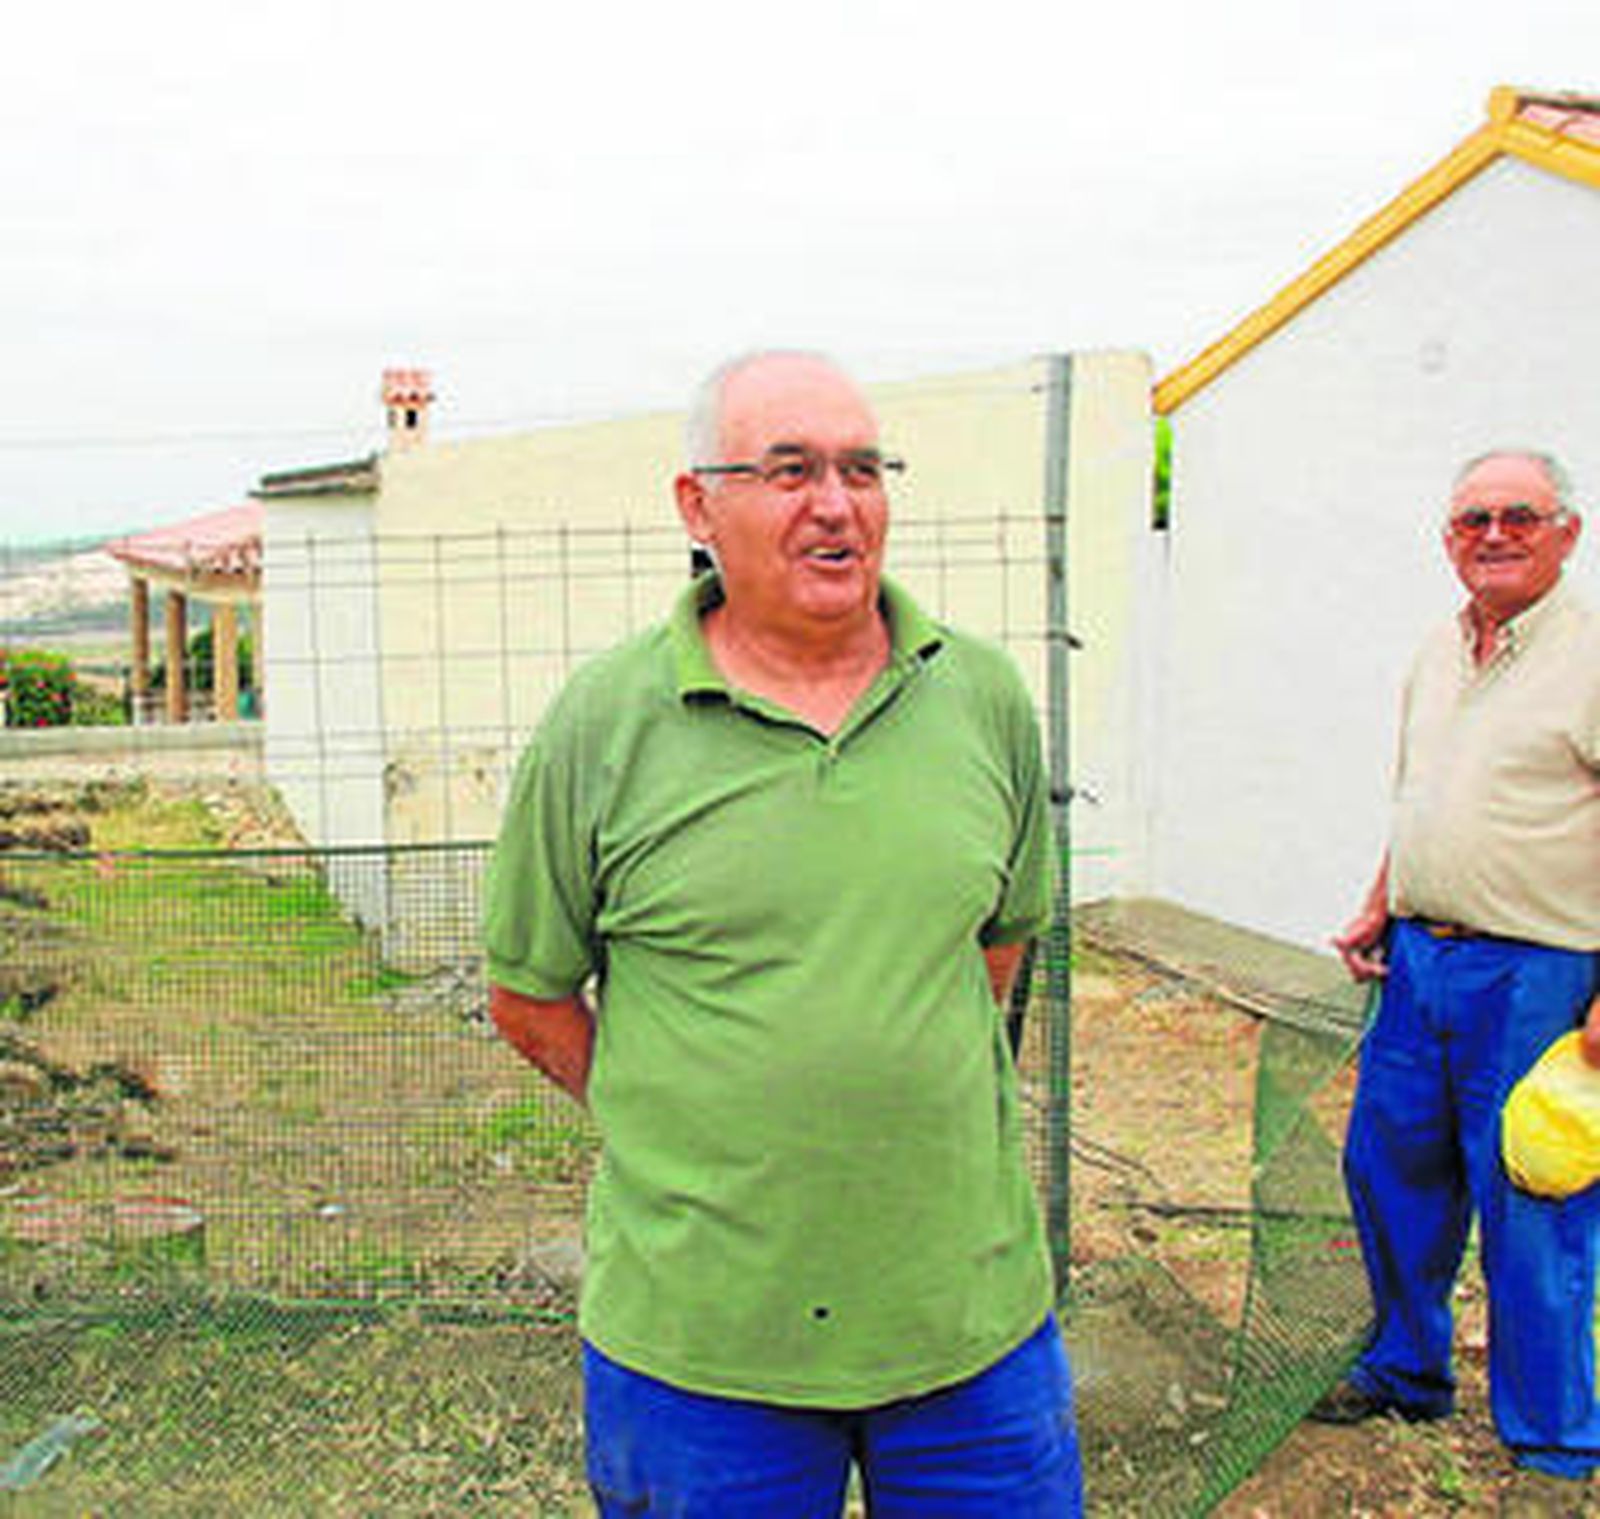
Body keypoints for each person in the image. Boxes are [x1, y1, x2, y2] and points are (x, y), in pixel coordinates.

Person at [483, 351, 1081, 1517]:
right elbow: (530, 1000)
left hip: (971, 1329)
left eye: (863, 469)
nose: (836, 504)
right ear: (696, 506)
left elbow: (993, 954)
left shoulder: (985, 701)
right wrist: (688, 1131)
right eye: (790, 470)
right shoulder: (603, 724)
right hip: (701, 1351)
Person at [1317, 450, 1600, 1516]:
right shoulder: (1438, 648)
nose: (1491, 533)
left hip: (1540, 970)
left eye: (1517, 515)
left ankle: (1554, 1442)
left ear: (1565, 531)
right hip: (1419, 958)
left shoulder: (1590, 650)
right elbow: (1419, 796)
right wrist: (1376, 901)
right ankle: (1405, 1370)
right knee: (1386, 1171)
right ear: (1447, 537)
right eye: (1470, 518)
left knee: (1534, 1195)